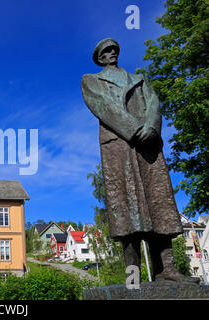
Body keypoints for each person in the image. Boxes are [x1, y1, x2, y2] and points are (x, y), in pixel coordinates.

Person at [81, 38, 198, 283]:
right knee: (125, 208)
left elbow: (154, 104)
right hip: (120, 147)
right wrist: (135, 129)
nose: (111, 53)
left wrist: (152, 129)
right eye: (106, 51)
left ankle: (167, 269)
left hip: (148, 148)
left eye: (114, 49)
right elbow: (104, 107)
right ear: (99, 58)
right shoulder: (91, 81)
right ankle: (132, 276)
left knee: (159, 205)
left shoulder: (140, 80)